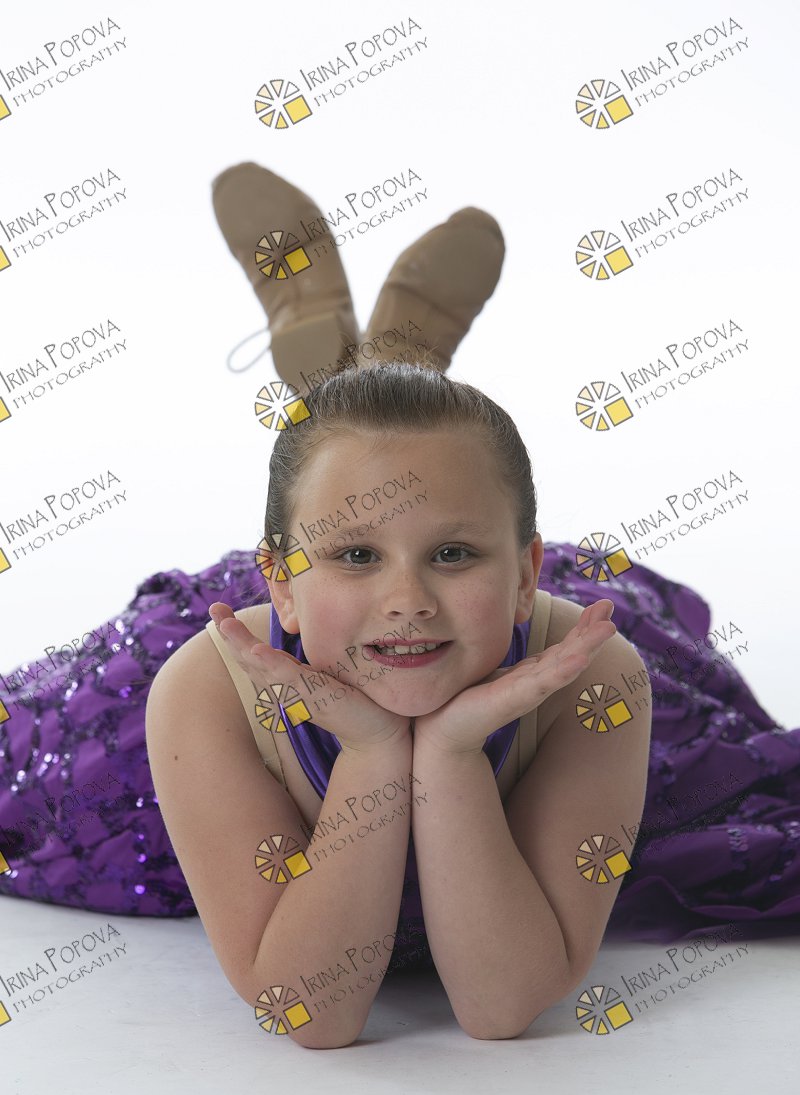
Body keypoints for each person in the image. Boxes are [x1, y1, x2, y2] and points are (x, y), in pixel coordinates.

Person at [1, 164, 798, 1047]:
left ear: (528, 575)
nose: (408, 602)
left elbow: (502, 1008)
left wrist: (450, 753)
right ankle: (379, 374)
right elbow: (312, 1015)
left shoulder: (590, 678)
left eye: (453, 555)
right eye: (358, 557)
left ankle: (378, 383)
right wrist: (375, 752)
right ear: (277, 584)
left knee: (397, 496)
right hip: (266, 673)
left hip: (473, 640)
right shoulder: (204, 692)